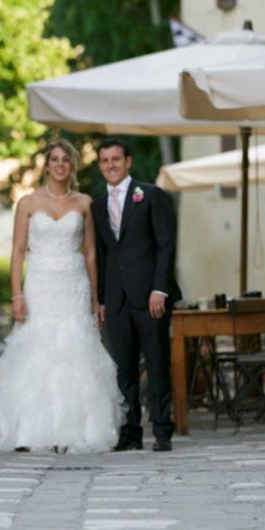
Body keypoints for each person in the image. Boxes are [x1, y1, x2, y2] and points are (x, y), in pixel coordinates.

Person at [0, 140, 123, 453]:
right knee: (38, 349)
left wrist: (96, 299)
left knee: (75, 352)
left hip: (74, 283)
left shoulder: (84, 204)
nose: (59, 165)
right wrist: (16, 294)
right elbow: (17, 251)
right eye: (54, 159)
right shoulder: (28, 203)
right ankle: (28, 430)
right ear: (46, 165)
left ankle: (76, 429)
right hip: (40, 283)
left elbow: (91, 253)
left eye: (66, 160)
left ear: (72, 167)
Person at [91, 138, 181, 452]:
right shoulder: (97, 206)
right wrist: (101, 300)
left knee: (157, 365)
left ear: (128, 162)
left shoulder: (151, 195)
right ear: (100, 165)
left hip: (151, 297)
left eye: (116, 159)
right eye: (105, 160)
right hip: (116, 301)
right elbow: (103, 256)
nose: (111, 165)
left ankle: (162, 431)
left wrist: (160, 289)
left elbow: (166, 245)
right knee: (123, 369)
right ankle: (130, 433)